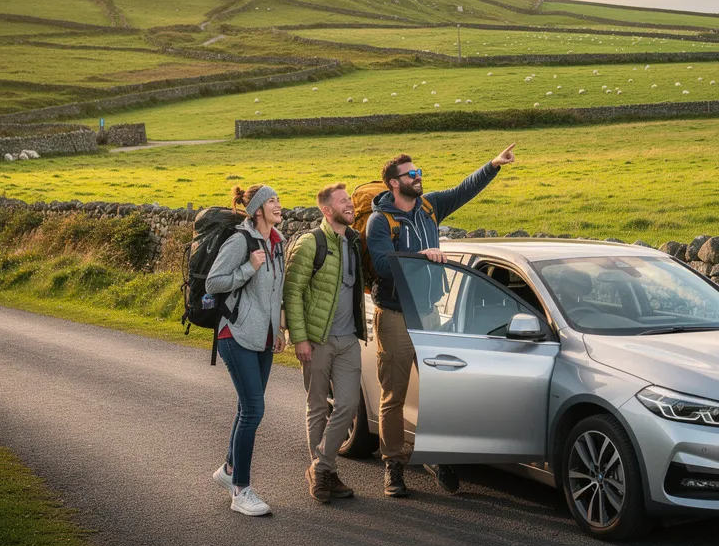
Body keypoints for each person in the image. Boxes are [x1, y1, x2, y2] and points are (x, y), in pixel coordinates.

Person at [367, 144, 516, 497]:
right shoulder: (380, 221)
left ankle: (438, 457)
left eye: (418, 173)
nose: (419, 178)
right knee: (394, 395)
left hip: (430, 314)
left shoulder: (430, 206)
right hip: (396, 316)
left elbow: (464, 190)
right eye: (411, 175)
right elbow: (383, 266)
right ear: (393, 183)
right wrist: (421, 257)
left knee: (439, 390)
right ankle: (394, 464)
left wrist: (493, 164)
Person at [206, 184, 287, 516]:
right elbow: (214, 282)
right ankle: (241, 490)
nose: (279, 205)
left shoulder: (276, 244)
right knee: (254, 410)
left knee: (247, 408)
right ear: (257, 209)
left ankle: (227, 470)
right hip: (235, 335)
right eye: (272, 201)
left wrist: (278, 328)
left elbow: (275, 291)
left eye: (278, 199)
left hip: (264, 338)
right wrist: (247, 268)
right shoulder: (240, 242)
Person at [283, 183, 365, 504]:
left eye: (350, 200)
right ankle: (325, 476)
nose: (350, 204)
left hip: (348, 340)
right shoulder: (310, 244)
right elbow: (292, 293)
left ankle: (320, 467)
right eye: (344, 201)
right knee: (318, 406)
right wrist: (299, 338)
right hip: (317, 340)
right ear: (327, 210)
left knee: (347, 405)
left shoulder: (356, 242)